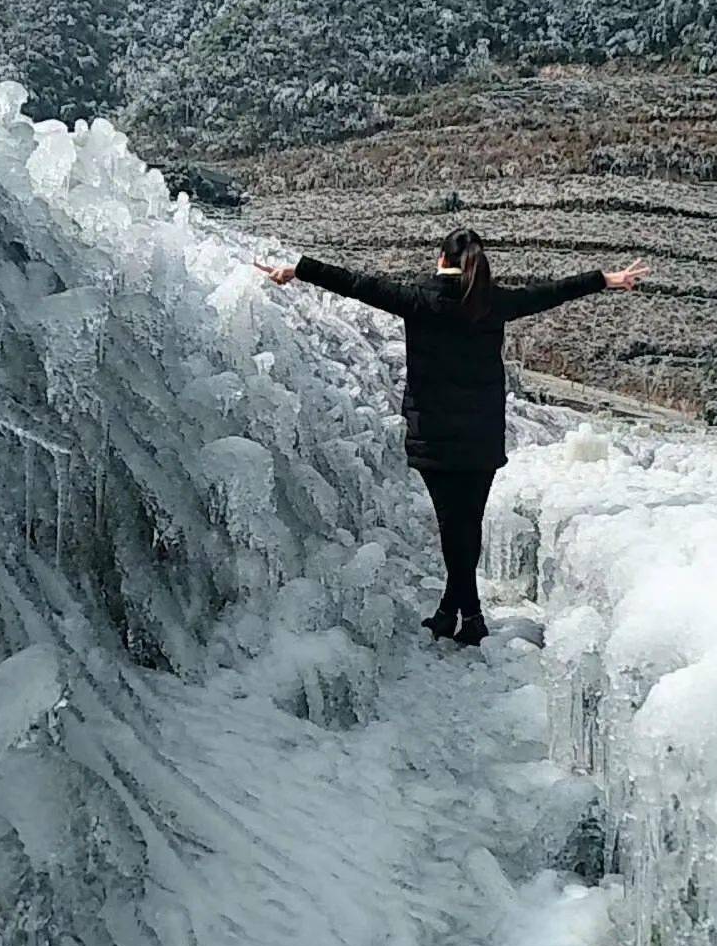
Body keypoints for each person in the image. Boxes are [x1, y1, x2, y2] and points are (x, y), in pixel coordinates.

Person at [256, 229, 649, 647]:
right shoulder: (492, 301)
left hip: (435, 437)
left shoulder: (419, 299)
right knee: (469, 523)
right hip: (481, 436)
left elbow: (356, 283)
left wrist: (298, 270)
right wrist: (603, 278)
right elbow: (548, 293)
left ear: (440, 257)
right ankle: (463, 612)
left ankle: (461, 612)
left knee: (451, 525)